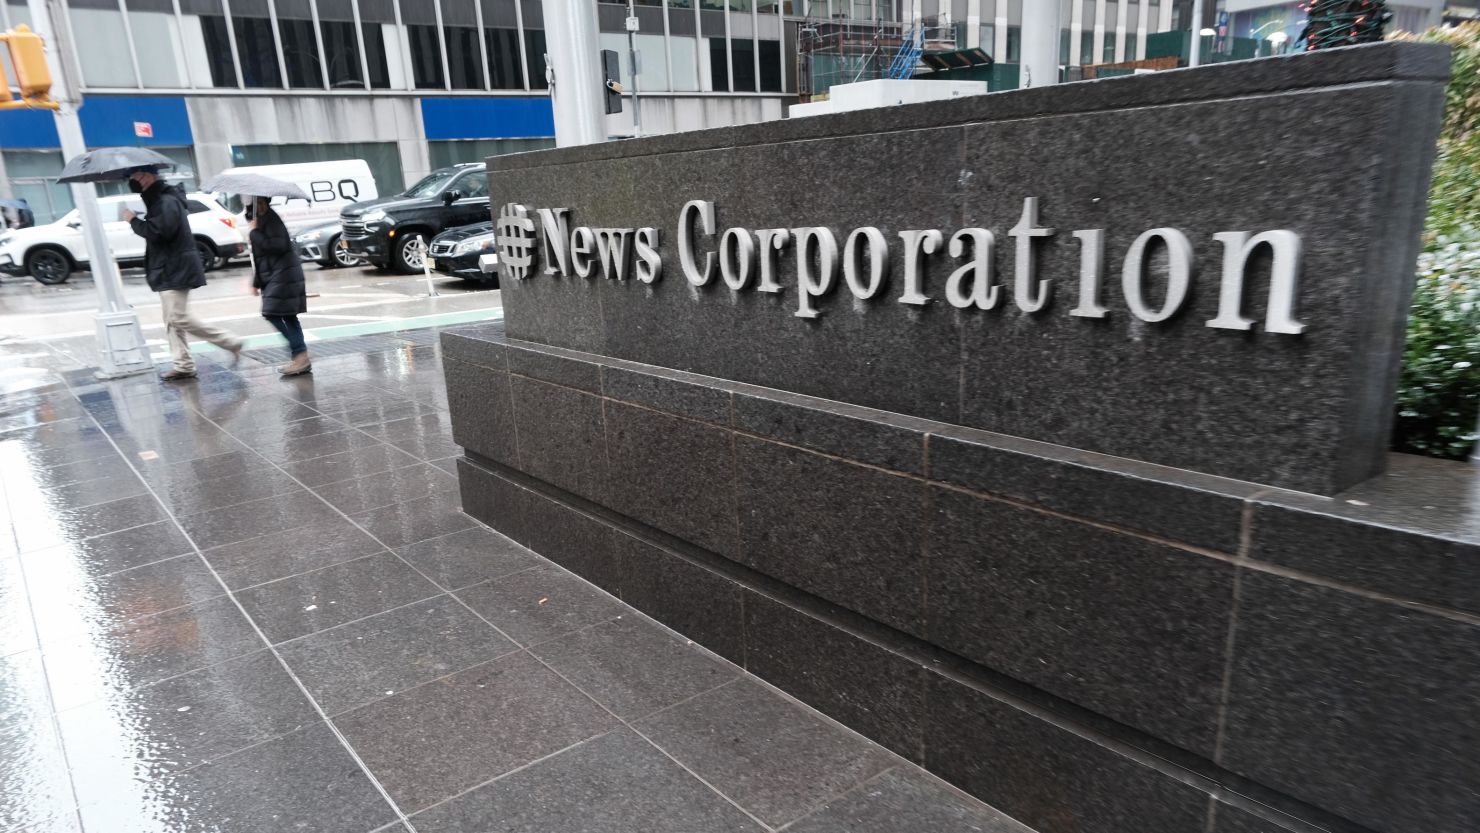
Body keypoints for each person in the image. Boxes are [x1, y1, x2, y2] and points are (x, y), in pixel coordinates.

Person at [121, 167, 242, 381]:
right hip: (169, 266)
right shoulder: (158, 199)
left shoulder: (165, 201)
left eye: (135, 177)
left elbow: (160, 233)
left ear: (148, 177)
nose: (132, 181)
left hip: (174, 267)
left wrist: (133, 221)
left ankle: (229, 342)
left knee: (178, 317)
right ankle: (183, 365)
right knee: (171, 319)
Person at [248, 197, 310, 376]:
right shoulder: (261, 219)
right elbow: (261, 258)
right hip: (279, 274)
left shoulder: (271, 219)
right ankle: (300, 356)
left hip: (285, 274)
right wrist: (256, 283)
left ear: (262, 203)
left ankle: (300, 354)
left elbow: (278, 245)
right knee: (289, 316)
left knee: (271, 313)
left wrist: (254, 233)